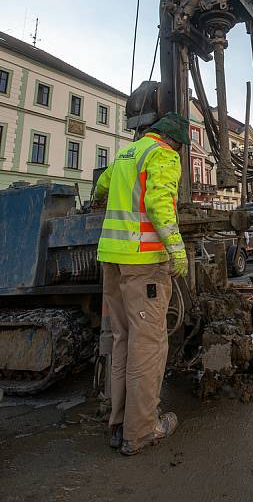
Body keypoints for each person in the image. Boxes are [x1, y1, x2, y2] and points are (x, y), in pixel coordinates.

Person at [95, 113, 190, 456]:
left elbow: (101, 186)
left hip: (113, 259)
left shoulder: (125, 154)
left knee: (122, 340)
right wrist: (177, 251)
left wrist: (98, 200)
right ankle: (142, 430)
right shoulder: (164, 154)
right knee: (147, 345)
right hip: (143, 262)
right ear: (174, 141)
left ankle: (119, 424)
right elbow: (158, 203)